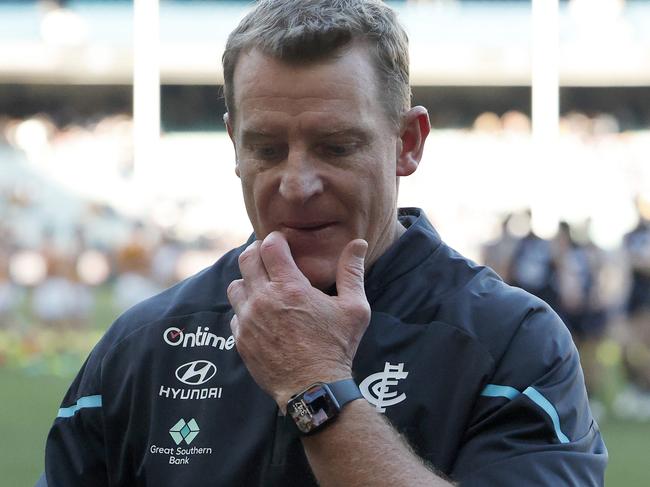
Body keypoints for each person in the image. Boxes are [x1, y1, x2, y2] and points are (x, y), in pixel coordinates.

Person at [39, 1, 607, 485]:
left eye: (336, 147)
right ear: (234, 144)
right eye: (266, 148)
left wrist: (313, 385)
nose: (296, 183)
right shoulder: (144, 344)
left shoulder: (511, 343)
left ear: (407, 143)